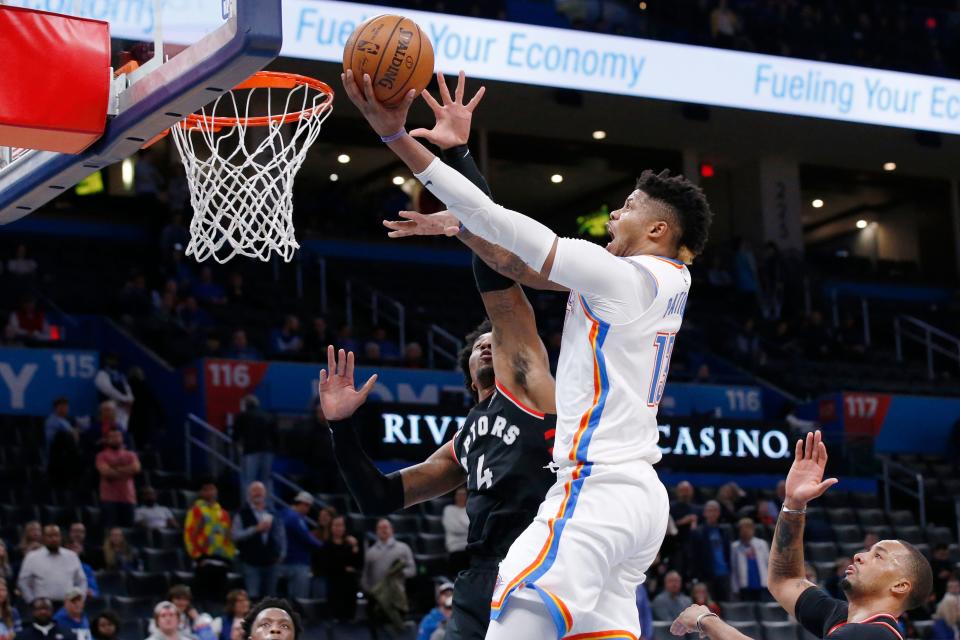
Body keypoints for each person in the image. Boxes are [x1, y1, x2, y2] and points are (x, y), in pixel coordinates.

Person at [349, 65, 714, 637]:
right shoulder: (667, 282)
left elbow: (503, 230)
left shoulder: (622, 278)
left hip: (595, 490)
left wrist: (396, 136)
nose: (614, 215)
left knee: (511, 622)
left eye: (627, 207)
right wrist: (465, 218)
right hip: (639, 502)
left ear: (659, 230)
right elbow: (510, 264)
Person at [328, 71, 558, 640]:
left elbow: (499, 273)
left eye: (494, 341)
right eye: (480, 344)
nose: (490, 343)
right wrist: (340, 428)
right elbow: (378, 496)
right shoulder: (465, 441)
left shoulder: (526, 384)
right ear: (467, 368)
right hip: (481, 578)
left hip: (542, 562)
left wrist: (458, 157)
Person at [768, 431, 934, 640]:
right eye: (868, 551)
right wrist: (793, 503)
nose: (858, 556)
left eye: (878, 556)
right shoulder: (844, 619)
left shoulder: (872, 635)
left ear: (900, 586)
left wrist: (712, 620)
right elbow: (785, 580)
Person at [184, 480, 236, 602]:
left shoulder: (223, 513)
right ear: (201, 492)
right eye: (206, 489)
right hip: (204, 559)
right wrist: (197, 557)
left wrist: (229, 557)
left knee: (221, 598)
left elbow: (228, 537)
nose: (210, 492)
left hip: (221, 561)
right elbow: (189, 535)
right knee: (203, 597)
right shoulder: (196, 511)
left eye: (212, 489)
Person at [361, 519, 416, 635]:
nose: (384, 529)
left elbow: (412, 570)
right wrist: (370, 592)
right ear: (376, 531)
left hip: (397, 598)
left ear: (392, 529)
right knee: (378, 632)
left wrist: (400, 573)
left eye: (386, 527)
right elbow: (365, 577)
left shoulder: (403, 548)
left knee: (397, 632)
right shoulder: (370, 552)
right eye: (381, 527)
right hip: (377, 599)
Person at [231, 481, 285, 600]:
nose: (257, 493)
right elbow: (235, 535)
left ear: (265, 493)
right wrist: (255, 529)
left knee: (270, 598)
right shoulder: (241, 513)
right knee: (253, 597)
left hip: (271, 561)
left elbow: (281, 535)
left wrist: (281, 553)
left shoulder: (273, 513)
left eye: (260, 491)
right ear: (249, 494)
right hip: (251, 562)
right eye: (254, 491)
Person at [17, 525, 86, 603]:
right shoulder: (32, 557)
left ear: (61, 537)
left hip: (67, 604)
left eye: (56, 535)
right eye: (50, 536)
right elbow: (23, 582)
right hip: (42, 606)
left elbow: (82, 581)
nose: (54, 539)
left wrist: (78, 599)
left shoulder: (71, 556)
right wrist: (31, 600)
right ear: (43, 538)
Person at [312, 515, 361, 623]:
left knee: (349, 618)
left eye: (341, 525)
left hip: (350, 587)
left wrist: (355, 547)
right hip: (334, 587)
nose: (338, 528)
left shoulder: (350, 544)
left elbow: (357, 565)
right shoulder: (326, 546)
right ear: (331, 527)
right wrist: (344, 568)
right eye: (336, 525)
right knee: (335, 617)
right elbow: (326, 566)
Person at [277, 492, 323, 600]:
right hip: (297, 563)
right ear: (303, 504)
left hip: (285, 561)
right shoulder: (294, 518)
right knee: (299, 600)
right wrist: (324, 547)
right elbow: (306, 538)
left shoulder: (283, 513)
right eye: (307, 506)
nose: (308, 510)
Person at [231, 396, 277, 497]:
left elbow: (236, 435)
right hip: (268, 451)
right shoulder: (268, 415)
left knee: (248, 480)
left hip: (250, 451)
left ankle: (248, 504)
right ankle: (267, 505)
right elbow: (275, 434)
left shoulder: (242, 416)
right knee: (266, 480)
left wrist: (236, 444)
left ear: (245, 405)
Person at [95, 427, 141, 528]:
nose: (115, 439)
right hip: (109, 499)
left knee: (128, 531)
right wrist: (127, 471)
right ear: (107, 439)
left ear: (122, 438)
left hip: (128, 498)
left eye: (118, 436)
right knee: (109, 530)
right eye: (112, 437)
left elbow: (136, 468)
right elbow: (106, 472)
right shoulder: (102, 456)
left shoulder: (131, 455)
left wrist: (115, 469)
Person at [688, 501, 732, 602]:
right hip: (706, 576)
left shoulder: (724, 531)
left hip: (724, 575)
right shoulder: (698, 532)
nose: (712, 513)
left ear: (719, 513)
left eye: (715, 510)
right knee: (709, 608)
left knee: (724, 606)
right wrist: (696, 576)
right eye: (710, 510)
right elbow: (694, 556)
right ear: (704, 513)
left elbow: (727, 554)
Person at [730, 518, 769, 602]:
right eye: (743, 528)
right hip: (745, 585)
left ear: (753, 529)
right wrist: (735, 588)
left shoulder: (762, 544)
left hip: (762, 583)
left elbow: (768, 564)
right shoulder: (735, 547)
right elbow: (734, 568)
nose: (745, 531)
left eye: (748, 528)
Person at [94, 354, 134, 430]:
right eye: (110, 360)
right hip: (108, 404)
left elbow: (127, 388)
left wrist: (130, 400)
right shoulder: (102, 373)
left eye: (114, 360)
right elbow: (108, 389)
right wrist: (124, 399)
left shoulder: (120, 375)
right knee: (110, 427)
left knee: (123, 427)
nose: (113, 362)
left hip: (122, 406)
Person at [442, 488, 469, 577]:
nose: (461, 497)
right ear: (455, 496)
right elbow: (454, 528)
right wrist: (468, 528)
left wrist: (462, 525)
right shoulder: (448, 510)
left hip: (470, 550)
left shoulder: (470, 510)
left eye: (463, 494)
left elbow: (476, 527)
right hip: (455, 550)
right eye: (459, 494)